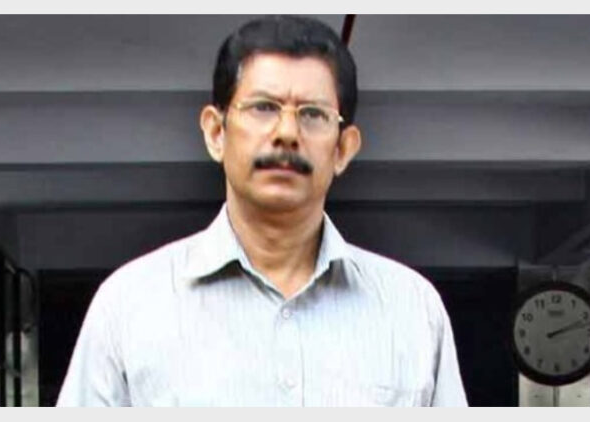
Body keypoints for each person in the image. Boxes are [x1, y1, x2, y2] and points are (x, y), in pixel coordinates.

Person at [57, 15, 467, 407]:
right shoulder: (130, 305)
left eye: (313, 114)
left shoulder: (412, 310)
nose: (287, 133)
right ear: (216, 133)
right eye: (264, 108)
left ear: (343, 148)